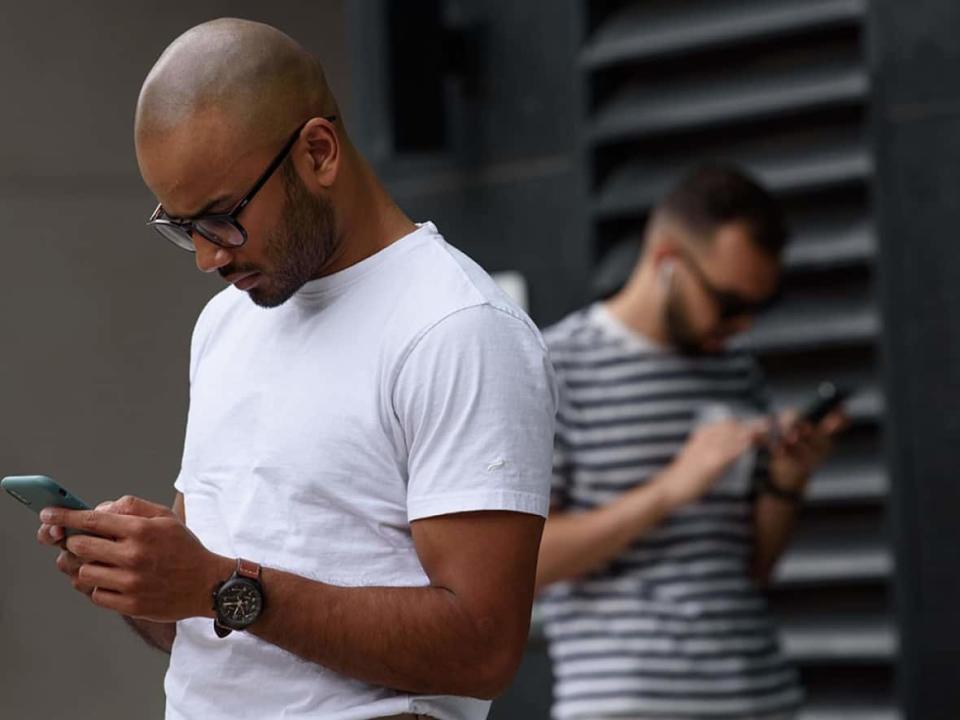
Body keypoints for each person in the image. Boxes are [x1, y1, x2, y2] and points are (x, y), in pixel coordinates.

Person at [35, 18, 557, 720]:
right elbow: (222, 628)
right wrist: (146, 578)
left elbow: (484, 651)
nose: (207, 257)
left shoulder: (456, 329)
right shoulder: (226, 322)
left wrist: (218, 585)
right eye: (183, 225)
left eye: (221, 216)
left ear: (318, 151)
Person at [536, 165, 847, 720]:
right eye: (730, 304)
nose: (744, 326)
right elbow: (525, 565)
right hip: (628, 705)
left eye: (759, 307)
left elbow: (752, 568)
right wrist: (672, 489)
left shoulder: (736, 371)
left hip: (763, 696)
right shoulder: (554, 367)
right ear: (667, 263)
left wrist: (787, 481)